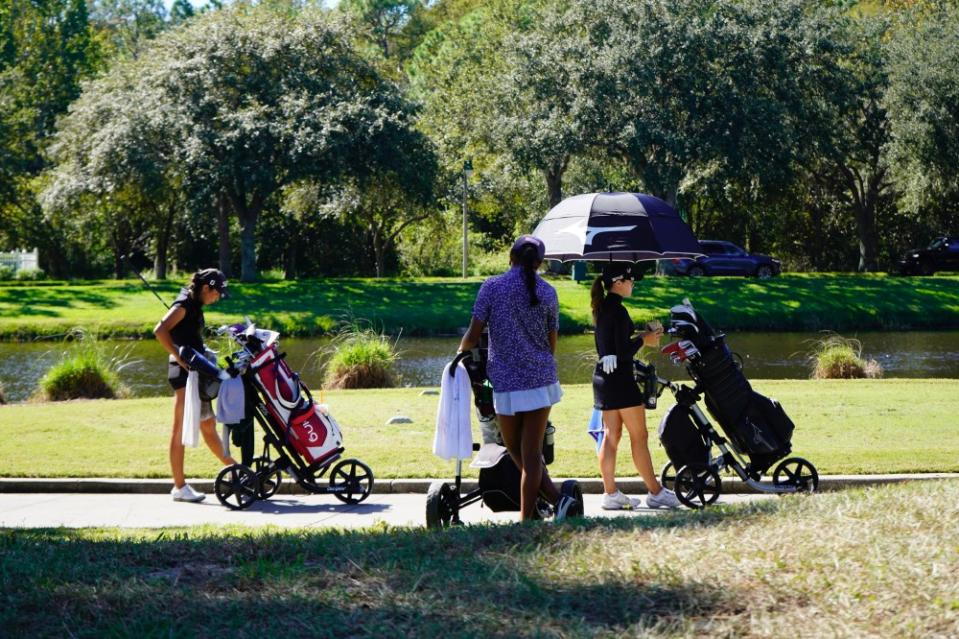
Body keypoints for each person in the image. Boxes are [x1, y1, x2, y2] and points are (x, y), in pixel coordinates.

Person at [458, 235, 581, 522]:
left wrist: (459, 353)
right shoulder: (549, 292)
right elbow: (552, 344)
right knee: (530, 453)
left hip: (506, 383)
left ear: (511, 257)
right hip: (540, 380)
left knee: (519, 452)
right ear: (539, 263)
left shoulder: (492, 287)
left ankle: (529, 519)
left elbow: (473, 336)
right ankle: (556, 502)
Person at [592, 262, 681, 509]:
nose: (632, 285)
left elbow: (613, 345)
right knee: (639, 436)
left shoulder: (602, 307)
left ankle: (610, 494)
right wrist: (645, 338)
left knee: (611, 436)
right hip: (620, 378)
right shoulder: (617, 310)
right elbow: (623, 351)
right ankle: (655, 492)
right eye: (630, 281)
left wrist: (642, 336)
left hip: (603, 377)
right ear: (618, 283)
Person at [154, 268, 236, 502]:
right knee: (179, 428)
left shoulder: (193, 303)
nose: (217, 298)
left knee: (208, 425)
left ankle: (236, 472)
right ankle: (179, 487)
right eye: (216, 293)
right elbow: (160, 331)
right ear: (206, 288)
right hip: (184, 374)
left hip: (195, 372)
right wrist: (178, 357)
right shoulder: (185, 305)